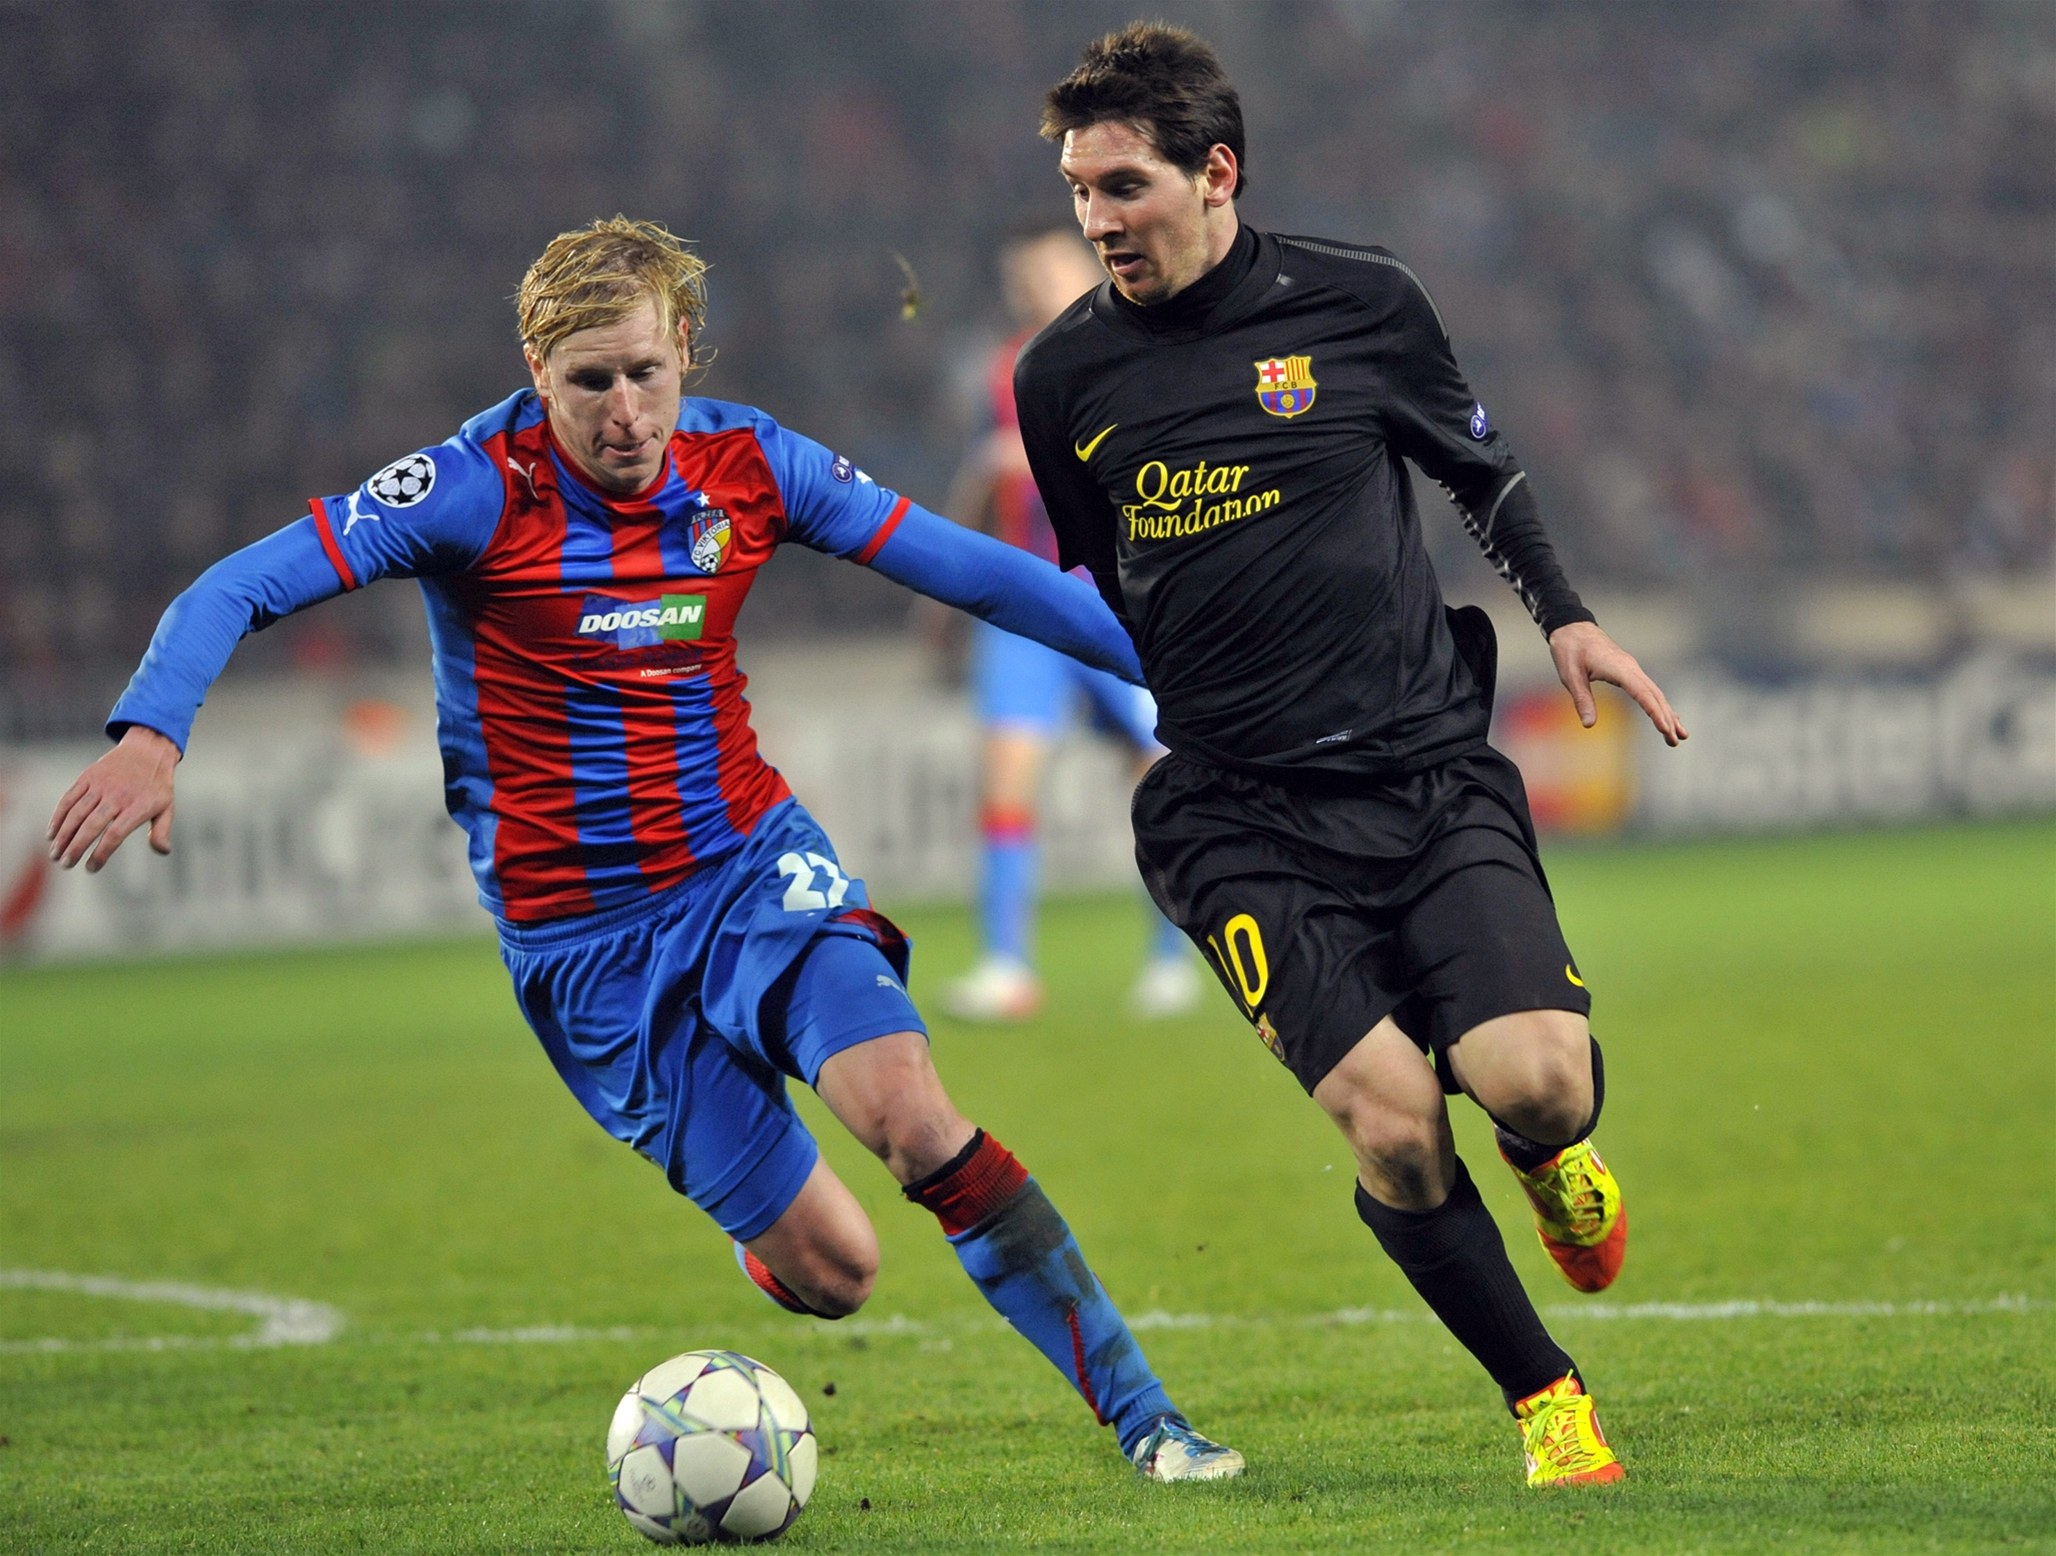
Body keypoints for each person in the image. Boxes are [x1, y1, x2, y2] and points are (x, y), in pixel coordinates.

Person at [46, 217, 1241, 1483]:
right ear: (535, 368)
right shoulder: (469, 488)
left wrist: (1188, 677)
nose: (625, 413)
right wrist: (152, 731)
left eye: (645, 374)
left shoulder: (752, 464)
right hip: (586, 947)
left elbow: (985, 576)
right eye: (590, 381)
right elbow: (236, 584)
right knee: (838, 1272)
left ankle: (1150, 1421)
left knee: (911, 1116)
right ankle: (766, 1224)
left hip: (748, 866)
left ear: (685, 352)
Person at [1015, 25, 1691, 1489]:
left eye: (1123, 186)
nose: (1096, 220)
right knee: (1392, 1123)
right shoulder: (1061, 375)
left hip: (1422, 773)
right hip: (1235, 813)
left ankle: (1550, 1156)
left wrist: (1566, 617)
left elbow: (1477, 465)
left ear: (1216, 172)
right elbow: (1110, 578)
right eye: (1077, 190)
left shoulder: (1361, 301)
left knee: (1538, 1083)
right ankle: (1547, 1399)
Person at [939, 225, 1199, 1023]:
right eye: (1021, 275)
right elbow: (989, 474)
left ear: (1087, 264)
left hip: (1115, 595)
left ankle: (1173, 962)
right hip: (1026, 599)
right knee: (1006, 774)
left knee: (1159, 776)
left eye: (1047, 268)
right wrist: (945, 591)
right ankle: (1007, 966)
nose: (1034, 286)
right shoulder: (1003, 368)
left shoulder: (1137, 348)